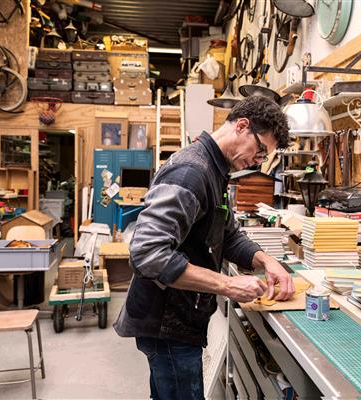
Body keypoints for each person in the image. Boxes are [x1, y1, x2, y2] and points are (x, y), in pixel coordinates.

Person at [114, 95, 294, 399]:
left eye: (265, 157)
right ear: (242, 126)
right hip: (166, 323)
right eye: (260, 150)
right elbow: (147, 253)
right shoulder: (192, 171)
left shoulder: (215, 170)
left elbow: (227, 234)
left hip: (179, 319)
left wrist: (266, 260)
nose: (258, 161)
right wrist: (227, 284)